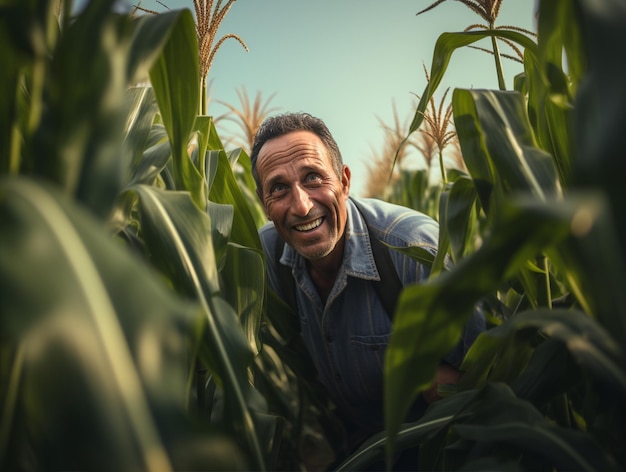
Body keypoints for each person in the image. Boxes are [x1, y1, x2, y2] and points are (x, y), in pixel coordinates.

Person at [250, 112, 485, 468]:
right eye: (279, 188)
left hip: (440, 445)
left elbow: (495, 376)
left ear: (344, 180)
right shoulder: (263, 255)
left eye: (313, 177)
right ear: (264, 203)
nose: (301, 206)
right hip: (353, 441)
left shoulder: (414, 252)